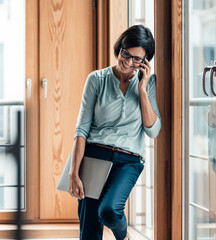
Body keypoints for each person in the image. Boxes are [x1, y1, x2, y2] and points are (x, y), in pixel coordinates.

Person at [68, 25, 161, 240]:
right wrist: (74, 172)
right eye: (125, 53)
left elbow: (153, 130)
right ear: (120, 48)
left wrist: (143, 91)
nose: (128, 62)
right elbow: (81, 129)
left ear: (145, 61)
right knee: (89, 230)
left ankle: (124, 236)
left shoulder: (149, 84)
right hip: (93, 157)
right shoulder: (96, 80)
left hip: (129, 160)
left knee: (109, 211)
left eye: (137, 59)